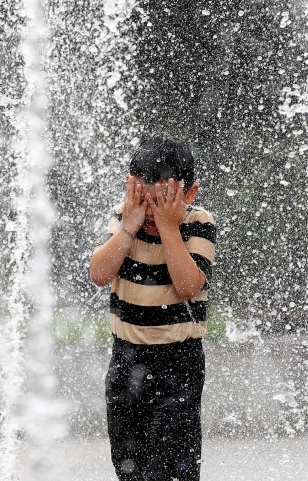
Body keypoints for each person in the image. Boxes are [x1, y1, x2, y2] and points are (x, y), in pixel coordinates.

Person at [89, 135, 216, 481]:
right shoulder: (124, 220)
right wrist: (129, 226)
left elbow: (189, 286)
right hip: (126, 359)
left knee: (173, 467)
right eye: (145, 201)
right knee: (129, 465)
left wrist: (170, 228)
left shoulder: (197, 224)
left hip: (179, 362)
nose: (151, 213)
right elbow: (99, 274)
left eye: (163, 202)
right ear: (131, 187)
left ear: (188, 195)